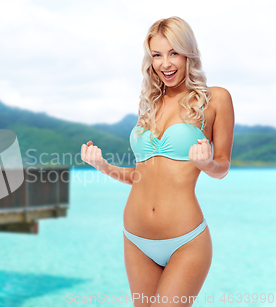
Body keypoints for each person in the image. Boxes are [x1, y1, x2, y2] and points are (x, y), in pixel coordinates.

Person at [80, 16, 234, 307]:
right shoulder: (150, 103)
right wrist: (103, 166)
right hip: (135, 238)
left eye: (173, 52)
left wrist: (207, 165)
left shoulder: (216, 100)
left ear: (189, 52)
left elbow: (223, 166)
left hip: (185, 240)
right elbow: (140, 176)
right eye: (157, 55)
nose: (165, 63)